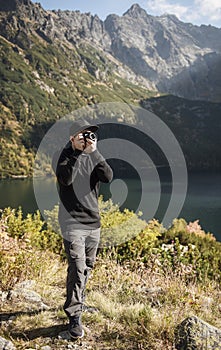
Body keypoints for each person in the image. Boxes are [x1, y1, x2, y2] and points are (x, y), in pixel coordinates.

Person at [53, 119, 113, 340]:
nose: (87, 138)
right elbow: (66, 179)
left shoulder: (93, 158)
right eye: (82, 135)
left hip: (93, 224)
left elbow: (108, 177)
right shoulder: (64, 157)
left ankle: (77, 303)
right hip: (72, 225)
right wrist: (78, 152)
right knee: (78, 270)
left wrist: (95, 153)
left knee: (85, 268)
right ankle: (74, 316)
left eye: (90, 135)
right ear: (72, 138)